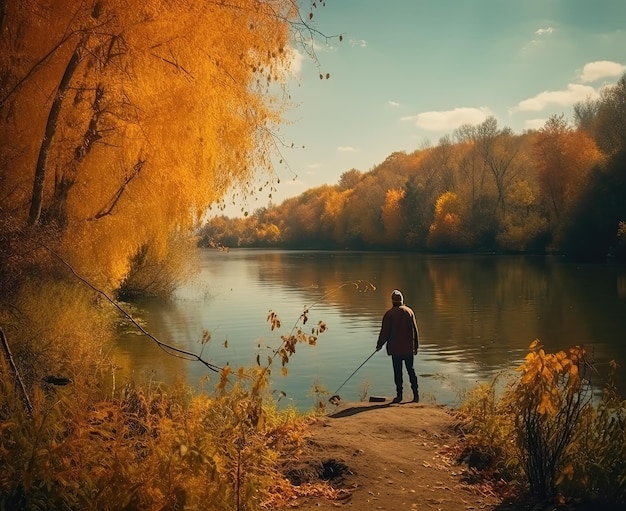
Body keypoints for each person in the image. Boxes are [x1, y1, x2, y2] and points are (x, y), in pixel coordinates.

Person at [376, 289, 420, 403]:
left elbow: (384, 332)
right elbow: (415, 331)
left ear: (392, 301)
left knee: (398, 372)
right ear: (402, 300)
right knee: (411, 370)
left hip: (395, 350)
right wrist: (416, 346)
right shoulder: (409, 312)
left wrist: (379, 345)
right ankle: (416, 396)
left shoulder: (389, 314)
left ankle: (399, 396)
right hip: (408, 349)